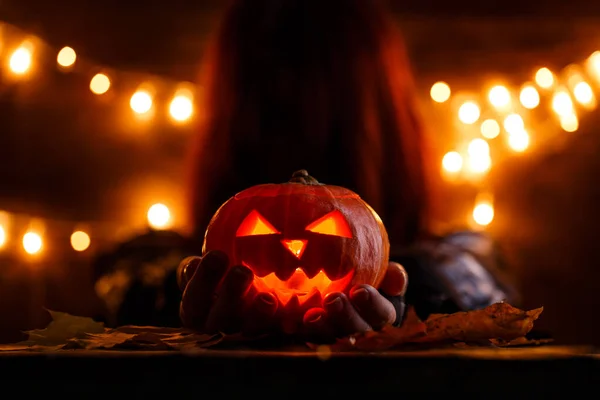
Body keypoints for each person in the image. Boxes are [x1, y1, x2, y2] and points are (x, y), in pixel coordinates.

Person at [176, 0, 520, 342]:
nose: (294, 246)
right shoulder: (467, 276)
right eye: (260, 232)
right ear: (386, 113)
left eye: (327, 230)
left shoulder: (455, 279)